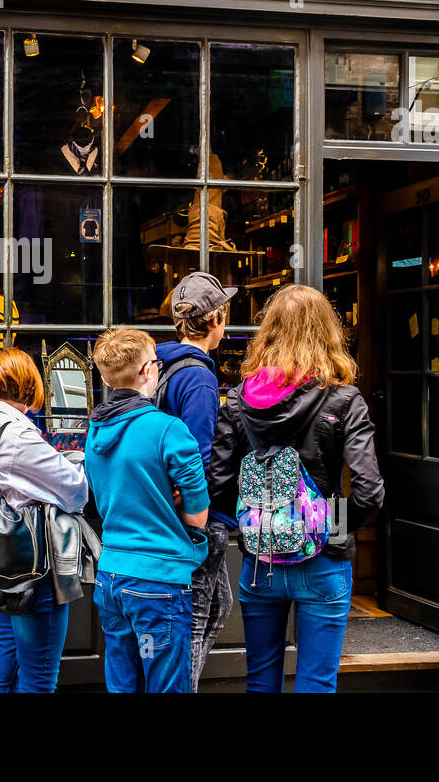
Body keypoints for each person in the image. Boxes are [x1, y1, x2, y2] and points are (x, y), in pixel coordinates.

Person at [209, 284, 384, 693]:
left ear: (267, 332)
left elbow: (217, 484)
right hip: (323, 561)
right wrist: (333, 529)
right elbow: (369, 491)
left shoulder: (237, 401)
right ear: (328, 333)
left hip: (261, 561)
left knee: (261, 681)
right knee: (316, 683)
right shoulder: (345, 401)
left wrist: (257, 524)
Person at [85, 327, 209, 693]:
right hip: (158, 578)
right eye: (156, 362)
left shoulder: (94, 430)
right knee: (166, 684)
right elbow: (198, 516)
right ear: (146, 371)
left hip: (110, 576)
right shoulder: (169, 428)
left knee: (122, 683)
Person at [0, 348, 89, 693]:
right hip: (32, 569)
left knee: (3, 671)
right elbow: (76, 489)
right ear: (27, 385)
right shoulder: (16, 433)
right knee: (40, 679)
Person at [155, 271, 237, 692]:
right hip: (196, 521)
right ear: (216, 320)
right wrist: (198, 525)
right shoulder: (200, 379)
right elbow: (198, 460)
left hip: (165, 514)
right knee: (194, 619)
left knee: (218, 606)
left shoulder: (163, 364)